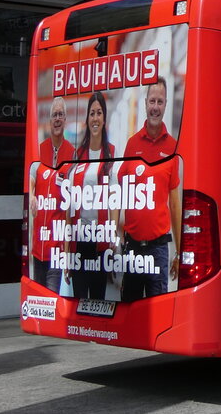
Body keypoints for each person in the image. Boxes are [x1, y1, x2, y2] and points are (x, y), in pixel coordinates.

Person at [117, 79, 182, 301]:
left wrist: (179, 253)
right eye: (152, 101)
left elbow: (175, 204)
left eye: (160, 102)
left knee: (158, 313)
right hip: (132, 248)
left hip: (158, 250)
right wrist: (116, 235)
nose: (155, 106)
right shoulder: (132, 144)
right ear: (145, 103)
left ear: (165, 105)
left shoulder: (173, 148)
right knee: (131, 312)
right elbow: (119, 192)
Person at [65, 91, 116, 300]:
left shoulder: (112, 154)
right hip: (80, 241)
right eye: (92, 113)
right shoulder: (77, 155)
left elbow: (115, 199)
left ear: (104, 119)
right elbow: (70, 205)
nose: (95, 118)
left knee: (98, 300)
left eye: (99, 113)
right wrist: (67, 251)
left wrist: (113, 242)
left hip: (101, 243)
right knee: (79, 300)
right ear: (87, 119)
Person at [30, 96, 75, 291]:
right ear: (49, 120)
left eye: (61, 115)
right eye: (54, 115)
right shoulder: (39, 151)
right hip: (37, 248)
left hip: (56, 250)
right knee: (38, 301)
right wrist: (31, 195)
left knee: (50, 299)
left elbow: (72, 203)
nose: (57, 119)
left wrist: (67, 251)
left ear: (65, 120)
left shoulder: (72, 154)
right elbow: (32, 178)